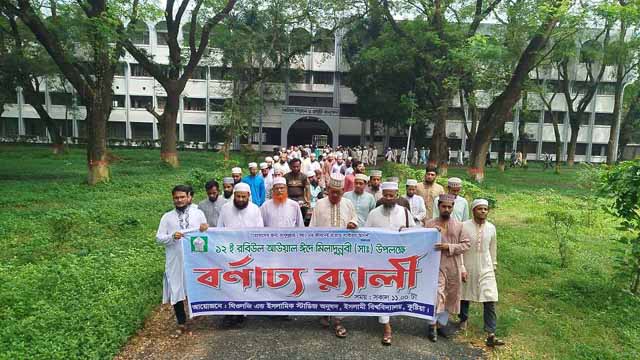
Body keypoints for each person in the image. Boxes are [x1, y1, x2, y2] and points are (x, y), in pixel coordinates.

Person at [365, 181, 417, 345]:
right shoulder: (373, 214)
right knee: (383, 290)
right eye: (385, 195)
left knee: (395, 292)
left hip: (400, 261)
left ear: (396, 195)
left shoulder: (405, 213)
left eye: (391, 195)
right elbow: (366, 235)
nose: (388, 198)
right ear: (382, 195)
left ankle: (384, 315)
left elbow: (416, 232)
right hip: (379, 261)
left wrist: (407, 231)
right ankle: (387, 327)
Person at [309, 173, 358, 338]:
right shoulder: (319, 204)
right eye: (332, 191)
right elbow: (312, 228)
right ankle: (324, 313)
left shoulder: (348, 204)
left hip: (343, 253)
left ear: (343, 191)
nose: (335, 195)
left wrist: (353, 224)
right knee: (324, 283)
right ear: (327, 189)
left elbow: (355, 219)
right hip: (324, 253)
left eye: (338, 192)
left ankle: (338, 320)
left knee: (341, 285)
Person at [156, 185, 208, 337]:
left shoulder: (198, 214)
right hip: (175, 260)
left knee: (196, 285)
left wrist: (206, 228)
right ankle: (181, 322)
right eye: (176, 198)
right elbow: (159, 238)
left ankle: (198, 312)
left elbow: (206, 235)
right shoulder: (167, 217)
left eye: (182, 197)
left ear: (188, 197)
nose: (179, 200)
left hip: (195, 259)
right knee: (176, 288)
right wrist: (172, 237)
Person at [424, 194, 471, 342]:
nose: (446, 209)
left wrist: (448, 246)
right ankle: (431, 326)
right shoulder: (430, 224)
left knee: (450, 295)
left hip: (453, 265)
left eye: (449, 207)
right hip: (435, 264)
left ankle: (440, 325)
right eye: (443, 206)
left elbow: (466, 244)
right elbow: (420, 240)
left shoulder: (459, 225)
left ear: (452, 208)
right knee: (437, 294)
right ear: (438, 207)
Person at [217, 182, 264, 327]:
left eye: (244, 197)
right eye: (238, 196)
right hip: (229, 252)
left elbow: (260, 231)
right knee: (229, 283)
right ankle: (229, 314)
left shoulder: (255, 209)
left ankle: (242, 313)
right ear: (234, 196)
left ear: (249, 196)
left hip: (248, 253)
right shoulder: (225, 208)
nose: (241, 199)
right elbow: (219, 229)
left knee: (244, 284)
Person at [459, 199, 505, 347]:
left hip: (486, 265)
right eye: (480, 209)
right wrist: (461, 266)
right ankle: (463, 320)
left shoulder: (491, 228)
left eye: (485, 209)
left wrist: (494, 264)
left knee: (490, 297)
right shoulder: (464, 226)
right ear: (473, 211)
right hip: (468, 263)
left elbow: (493, 247)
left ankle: (491, 332)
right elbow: (460, 247)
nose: (483, 211)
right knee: (465, 294)